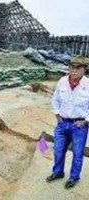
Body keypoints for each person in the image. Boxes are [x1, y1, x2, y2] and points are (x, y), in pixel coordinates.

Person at [46, 55, 89, 189]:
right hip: (62, 123)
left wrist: (85, 121)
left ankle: (74, 177)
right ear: (69, 67)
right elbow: (55, 99)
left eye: (78, 67)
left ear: (84, 69)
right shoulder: (62, 81)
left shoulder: (88, 84)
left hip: (79, 126)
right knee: (58, 150)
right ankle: (58, 172)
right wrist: (57, 115)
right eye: (72, 67)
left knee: (77, 153)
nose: (74, 70)